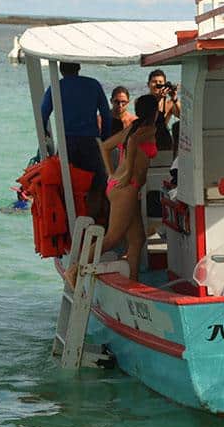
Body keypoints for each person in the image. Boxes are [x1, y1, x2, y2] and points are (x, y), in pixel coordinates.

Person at [65, 95, 159, 288]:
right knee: (113, 237)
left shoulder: (133, 128)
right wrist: (127, 174)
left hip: (120, 186)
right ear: (155, 112)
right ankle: (74, 270)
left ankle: (133, 283)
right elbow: (132, 144)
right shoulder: (149, 129)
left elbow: (105, 146)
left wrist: (111, 174)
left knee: (137, 238)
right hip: (127, 188)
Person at [40, 62, 111, 221]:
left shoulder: (56, 87)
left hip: (67, 142)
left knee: (66, 184)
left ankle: (69, 222)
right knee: (97, 182)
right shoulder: (93, 85)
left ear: (61, 70)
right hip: (90, 142)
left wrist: (46, 135)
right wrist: (105, 139)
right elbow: (106, 115)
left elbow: (43, 114)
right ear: (79, 68)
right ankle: (92, 220)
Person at [147, 69, 180, 149]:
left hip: (163, 140)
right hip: (148, 138)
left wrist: (174, 98)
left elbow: (182, 116)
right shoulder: (141, 101)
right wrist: (159, 98)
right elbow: (148, 118)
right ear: (148, 84)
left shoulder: (169, 103)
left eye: (160, 82)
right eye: (154, 82)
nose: (157, 84)